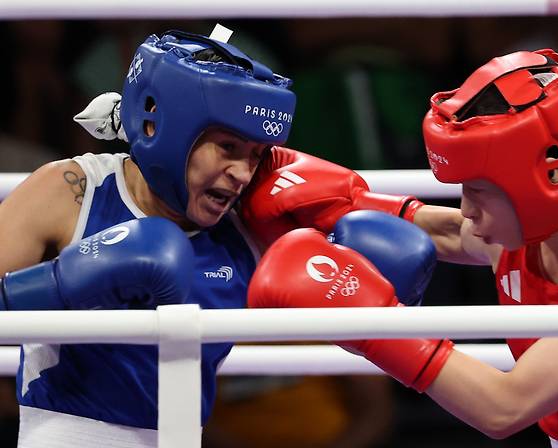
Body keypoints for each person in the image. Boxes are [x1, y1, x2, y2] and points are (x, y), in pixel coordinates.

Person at [1, 26, 428, 447]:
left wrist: (400, 265)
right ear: (159, 126)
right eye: (227, 148)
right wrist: (57, 285)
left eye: (256, 156)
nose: (242, 173)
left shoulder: (248, 225)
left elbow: (366, 313)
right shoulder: (74, 190)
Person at [247, 49, 558, 447]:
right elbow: (448, 231)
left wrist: (369, 318)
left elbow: (506, 407)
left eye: (478, 191)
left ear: (548, 175)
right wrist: (341, 204)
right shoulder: (529, 229)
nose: (467, 209)